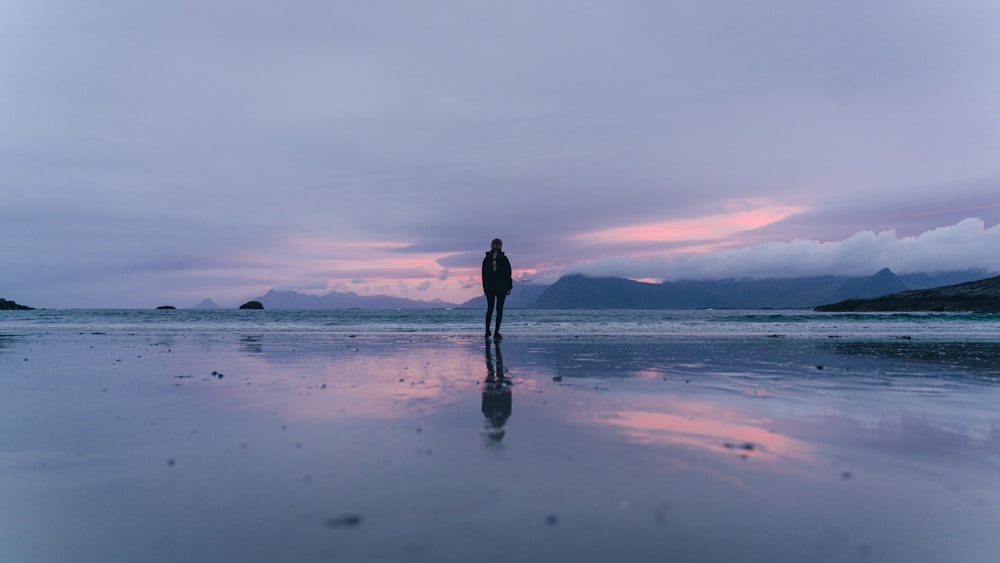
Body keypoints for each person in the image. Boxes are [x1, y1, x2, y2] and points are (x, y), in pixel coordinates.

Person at [482, 238, 513, 339]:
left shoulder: (486, 259)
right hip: (501, 288)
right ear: (501, 246)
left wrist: (485, 288)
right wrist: (509, 286)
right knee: (499, 310)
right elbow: (508, 273)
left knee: (490, 309)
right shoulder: (504, 259)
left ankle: (487, 331)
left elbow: (484, 275)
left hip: (489, 288)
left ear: (491, 245)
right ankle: (496, 332)